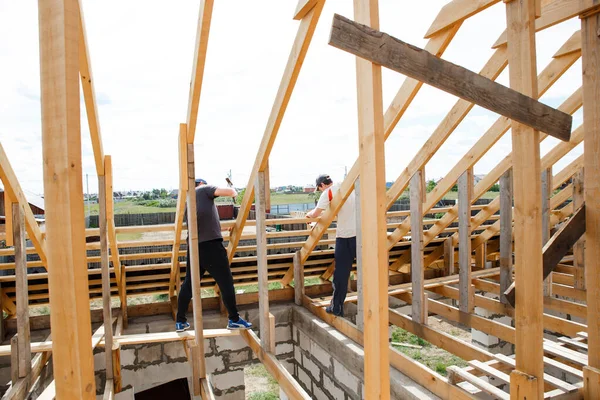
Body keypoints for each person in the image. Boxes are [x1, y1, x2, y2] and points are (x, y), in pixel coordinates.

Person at [176, 178, 252, 331]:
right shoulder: (204, 190)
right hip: (211, 246)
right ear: (202, 184)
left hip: (195, 246)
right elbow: (231, 193)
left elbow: (203, 225)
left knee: (189, 284)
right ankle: (234, 319)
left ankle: (180, 321)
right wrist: (233, 188)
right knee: (225, 282)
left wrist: (223, 230)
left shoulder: (188, 201)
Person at [306, 174, 356, 316]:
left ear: (322, 185)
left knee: (341, 274)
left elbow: (315, 214)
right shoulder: (348, 187)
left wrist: (308, 215)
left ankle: (336, 308)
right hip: (361, 235)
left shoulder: (328, 192)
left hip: (345, 236)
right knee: (367, 272)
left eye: (319, 188)